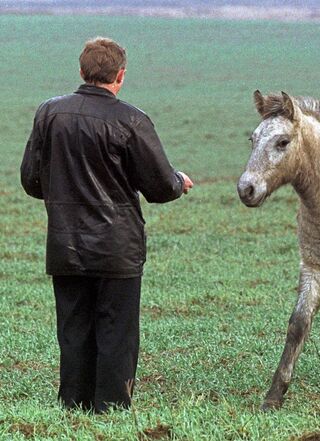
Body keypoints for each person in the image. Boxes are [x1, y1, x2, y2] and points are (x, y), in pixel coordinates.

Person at [20, 37, 194, 413]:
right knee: (116, 335)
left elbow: (31, 180)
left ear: (82, 71)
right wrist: (179, 181)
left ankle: (73, 410)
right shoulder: (132, 120)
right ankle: (111, 415)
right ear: (120, 76)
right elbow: (160, 187)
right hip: (118, 249)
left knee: (73, 332)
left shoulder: (49, 113)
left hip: (65, 247)